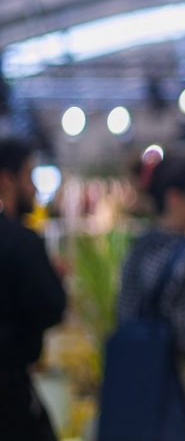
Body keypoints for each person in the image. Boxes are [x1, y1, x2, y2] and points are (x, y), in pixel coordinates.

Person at [116, 151, 185, 429]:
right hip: (173, 388)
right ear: (175, 197)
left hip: (133, 375)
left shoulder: (139, 245)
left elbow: (124, 312)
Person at [0, 136, 66, 441]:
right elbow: (53, 306)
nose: (35, 189)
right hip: (11, 392)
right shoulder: (22, 242)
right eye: (29, 176)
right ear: (6, 180)